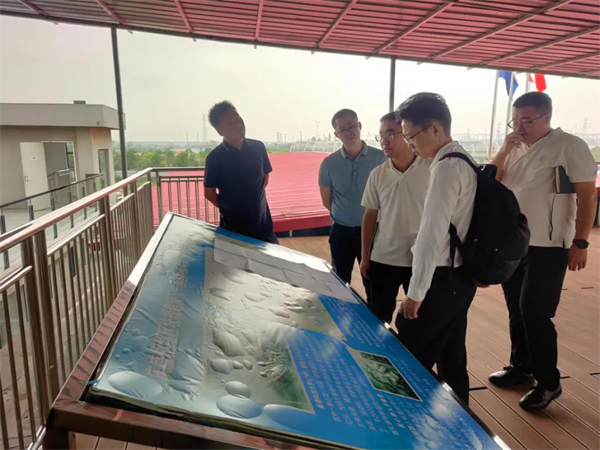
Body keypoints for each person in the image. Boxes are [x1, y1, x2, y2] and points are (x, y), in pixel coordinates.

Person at [489, 92, 597, 411]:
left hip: (549, 245)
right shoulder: (514, 147)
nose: (519, 127)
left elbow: (587, 196)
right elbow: (490, 182)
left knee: (535, 313)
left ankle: (548, 382)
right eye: (515, 121)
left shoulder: (569, 146)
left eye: (527, 120)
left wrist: (581, 242)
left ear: (546, 117)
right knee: (515, 307)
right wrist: (504, 148)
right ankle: (521, 366)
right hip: (515, 242)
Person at [394, 93, 477, 405]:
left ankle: (400, 421)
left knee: (409, 357)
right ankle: (461, 421)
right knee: (451, 355)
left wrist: (416, 293)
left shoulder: (446, 168)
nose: (409, 144)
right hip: (459, 278)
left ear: (434, 129)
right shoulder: (462, 159)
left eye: (411, 136)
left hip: (442, 280)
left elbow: (432, 235)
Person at [360, 113, 431, 324]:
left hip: (419, 259)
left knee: (417, 321)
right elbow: (370, 216)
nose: (384, 140)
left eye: (391, 133)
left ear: (408, 135)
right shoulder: (377, 174)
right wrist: (365, 255)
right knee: (377, 318)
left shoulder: (431, 169)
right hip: (384, 257)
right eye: (381, 135)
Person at [318, 109, 386, 286]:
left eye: (352, 126)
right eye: (343, 129)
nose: (348, 132)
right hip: (341, 232)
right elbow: (327, 201)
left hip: (374, 232)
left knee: (374, 283)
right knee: (340, 282)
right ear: (336, 134)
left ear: (360, 126)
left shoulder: (381, 158)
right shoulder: (329, 163)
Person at [204, 101, 278, 244]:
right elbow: (209, 193)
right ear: (220, 131)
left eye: (238, 118)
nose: (238, 125)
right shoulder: (214, 158)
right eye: (230, 123)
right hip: (233, 230)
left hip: (263, 227)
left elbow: (265, 177)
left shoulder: (258, 147)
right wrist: (229, 207)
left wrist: (253, 199)